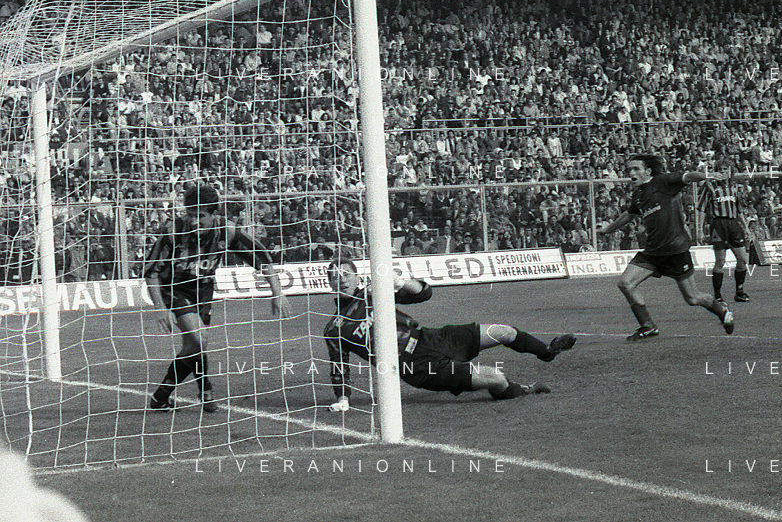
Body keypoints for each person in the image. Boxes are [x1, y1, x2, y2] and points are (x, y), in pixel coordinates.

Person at [323, 258, 575, 405]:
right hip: (416, 365)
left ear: (356, 277)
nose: (341, 280)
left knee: (504, 332)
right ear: (329, 283)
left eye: (346, 274)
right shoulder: (335, 328)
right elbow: (339, 366)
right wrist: (342, 398)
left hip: (430, 338)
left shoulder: (373, 295)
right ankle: (523, 389)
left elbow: (424, 294)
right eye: (335, 277)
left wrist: (400, 282)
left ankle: (547, 351)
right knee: (496, 378)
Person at [144, 185, 290, 412]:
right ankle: (206, 389)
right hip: (174, 289)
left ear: (214, 214)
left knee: (193, 345)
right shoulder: (173, 232)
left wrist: (278, 292)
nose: (195, 221)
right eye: (191, 215)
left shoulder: (226, 231)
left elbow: (261, 257)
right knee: (199, 338)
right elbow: (151, 271)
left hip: (203, 291)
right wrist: (160, 308)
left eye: (201, 216)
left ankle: (161, 396)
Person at [598, 154, 734, 341]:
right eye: (629, 169)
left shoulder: (663, 181)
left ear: (648, 171)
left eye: (636, 169)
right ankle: (648, 326)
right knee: (625, 283)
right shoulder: (638, 194)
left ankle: (722, 311)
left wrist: (707, 175)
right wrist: (608, 229)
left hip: (675, 250)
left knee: (692, 298)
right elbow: (629, 215)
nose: (631, 173)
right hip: (653, 252)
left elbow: (688, 176)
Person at [697, 160, 751, 302]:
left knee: (743, 259)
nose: (723, 172)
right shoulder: (710, 186)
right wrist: (700, 230)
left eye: (726, 169)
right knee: (720, 261)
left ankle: (739, 291)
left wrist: (745, 227)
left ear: (730, 171)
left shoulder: (734, 187)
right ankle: (717, 295)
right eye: (720, 169)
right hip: (719, 225)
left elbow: (739, 209)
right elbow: (701, 209)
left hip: (733, 224)